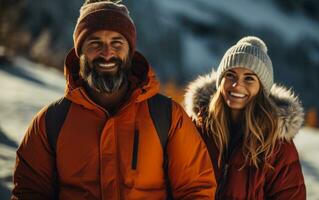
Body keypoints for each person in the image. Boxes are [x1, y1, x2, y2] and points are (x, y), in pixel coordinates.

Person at [12, 0, 216, 199]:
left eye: (117, 43)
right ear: (79, 52)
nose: (107, 53)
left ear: (130, 51)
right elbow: (29, 192)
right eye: (95, 43)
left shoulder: (168, 117)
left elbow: (196, 189)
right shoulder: (51, 122)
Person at [184, 36, 306, 199]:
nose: (236, 85)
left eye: (249, 78)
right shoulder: (196, 128)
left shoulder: (277, 146)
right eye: (230, 75)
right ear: (220, 81)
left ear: (262, 89)